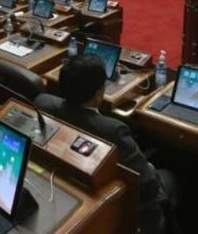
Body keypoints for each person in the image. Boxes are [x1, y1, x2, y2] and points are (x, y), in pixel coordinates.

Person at [36, 55, 175, 234]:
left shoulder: (44, 103)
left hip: (65, 184)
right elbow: (148, 185)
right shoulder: (114, 130)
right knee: (169, 178)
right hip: (121, 206)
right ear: (99, 94)